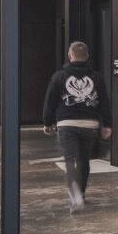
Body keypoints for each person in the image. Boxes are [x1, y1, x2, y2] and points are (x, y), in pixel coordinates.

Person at [43, 41, 112, 212]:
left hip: (66, 125)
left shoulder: (59, 76)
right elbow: (104, 102)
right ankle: (81, 193)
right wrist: (107, 124)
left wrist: (47, 122)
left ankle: (75, 196)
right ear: (87, 56)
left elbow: (50, 102)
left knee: (70, 160)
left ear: (70, 55)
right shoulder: (96, 77)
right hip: (90, 125)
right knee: (83, 160)